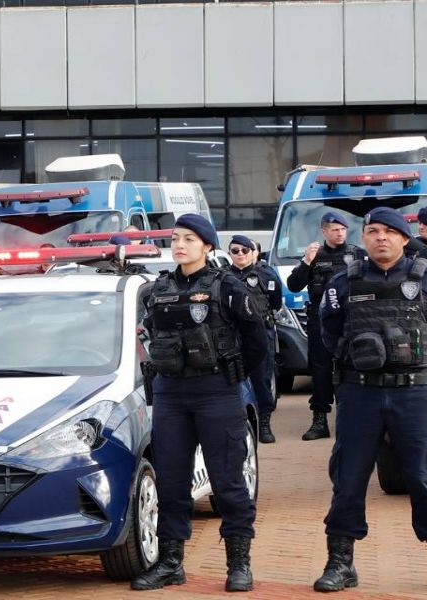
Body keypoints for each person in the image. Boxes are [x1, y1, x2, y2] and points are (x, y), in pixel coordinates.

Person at [313, 206, 427, 593]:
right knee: (348, 479)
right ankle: (340, 563)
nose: (380, 237)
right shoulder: (342, 283)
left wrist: (414, 361)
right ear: (363, 238)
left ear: (403, 237)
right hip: (359, 392)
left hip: (414, 393)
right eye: (373, 231)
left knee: (425, 477)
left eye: (389, 231)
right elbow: (328, 333)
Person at [132, 215, 267, 593]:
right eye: (175, 238)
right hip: (171, 394)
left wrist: (231, 373)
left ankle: (239, 563)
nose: (179, 245)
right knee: (172, 482)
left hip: (217, 393)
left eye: (189, 239)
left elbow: (257, 341)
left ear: (207, 246)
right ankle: (171, 563)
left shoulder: (229, 287)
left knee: (228, 482)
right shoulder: (156, 289)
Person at [285, 212, 364, 441]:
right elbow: (294, 285)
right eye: (334, 230)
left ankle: (350, 421)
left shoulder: (357, 254)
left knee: (351, 367)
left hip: (350, 319)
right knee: (320, 369)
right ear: (324, 231)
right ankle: (319, 420)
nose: (339, 234)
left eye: (342, 230)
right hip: (321, 318)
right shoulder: (314, 255)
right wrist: (306, 262)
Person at [226, 235, 282, 444]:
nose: (240, 254)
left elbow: (276, 302)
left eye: (244, 250)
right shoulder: (222, 277)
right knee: (234, 380)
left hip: (259, 335)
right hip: (233, 336)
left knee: (261, 379)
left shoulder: (266, 275)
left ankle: (264, 423)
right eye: (235, 251)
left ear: (253, 252)